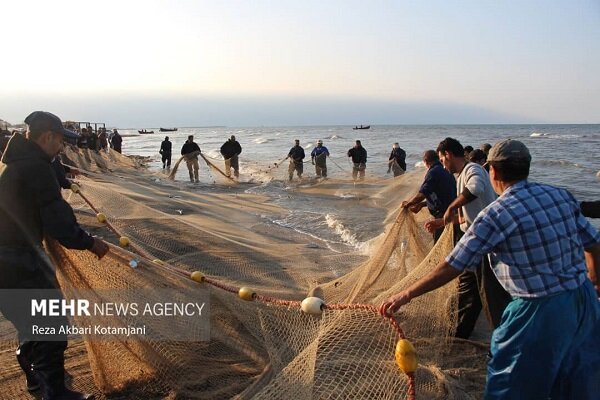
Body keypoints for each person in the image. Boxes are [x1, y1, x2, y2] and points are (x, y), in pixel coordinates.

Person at [381, 139, 600, 399]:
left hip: (536, 310)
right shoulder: (560, 196)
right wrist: (593, 279)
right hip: (583, 300)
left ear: (493, 172)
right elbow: (593, 243)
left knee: (508, 384)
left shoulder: (496, 214)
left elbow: (453, 265)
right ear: (526, 168)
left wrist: (405, 295)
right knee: (579, 378)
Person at [0, 111, 109, 400]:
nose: (62, 147)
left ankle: (35, 378)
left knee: (29, 321)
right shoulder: (35, 168)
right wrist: (89, 242)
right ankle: (55, 393)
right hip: (17, 257)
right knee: (52, 322)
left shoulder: (17, 163)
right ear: (47, 136)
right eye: (60, 140)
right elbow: (58, 220)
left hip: (7, 259)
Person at [426, 137, 511, 338]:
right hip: (477, 241)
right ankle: (461, 334)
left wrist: (452, 205)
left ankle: (488, 336)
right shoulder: (461, 176)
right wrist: (442, 222)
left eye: (442, 160)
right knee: (472, 291)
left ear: (448, 155)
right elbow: (467, 215)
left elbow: (476, 188)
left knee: (484, 293)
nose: (443, 166)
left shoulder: (472, 170)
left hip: (484, 243)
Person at [401, 150, 456, 242]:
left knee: (440, 245)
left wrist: (409, 204)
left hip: (443, 216)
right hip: (451, 213)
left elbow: (422, 194)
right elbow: (442, 195)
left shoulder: (433, 172)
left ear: (426, 162)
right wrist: (422, 204)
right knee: (449, 242)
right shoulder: (445, 169)